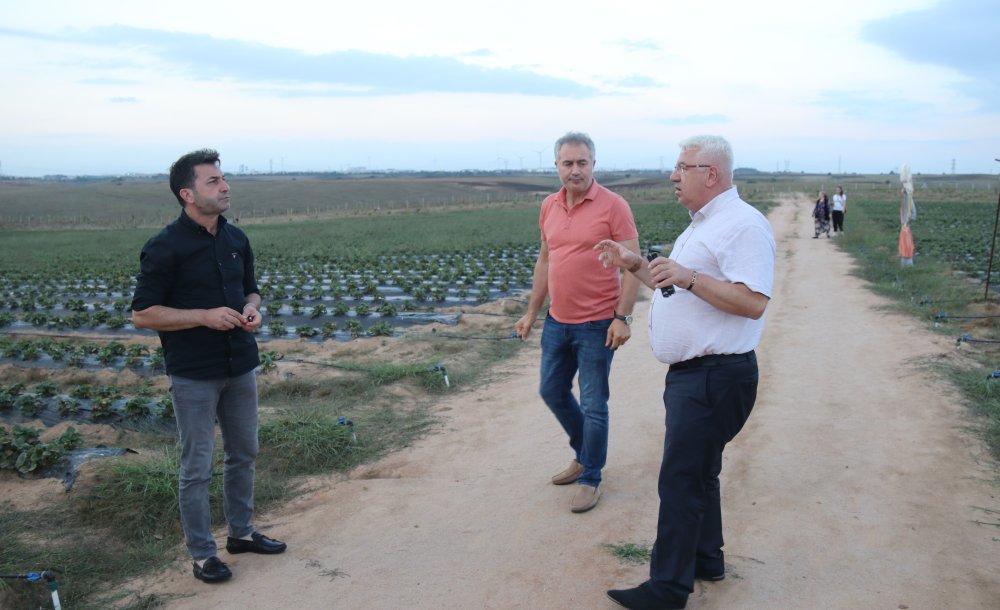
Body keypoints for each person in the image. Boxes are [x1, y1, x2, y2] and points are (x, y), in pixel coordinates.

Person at [595, 135, 775, 610]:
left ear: (710, 173)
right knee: (700, 472)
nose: (674, 176)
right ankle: (705, 559)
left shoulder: (741, 226)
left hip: (716, 376)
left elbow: (753, 303)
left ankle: (668, 588)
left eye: (682, 167)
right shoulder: (704, 225)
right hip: (699, 376)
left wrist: (691, 276)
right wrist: (634, 263)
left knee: (681, 478)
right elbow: (674, 286)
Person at [131, 149, 287, 584]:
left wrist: (252, 311)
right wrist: (202, 315)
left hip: (240, 364)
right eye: (214, 181)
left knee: (245, 453)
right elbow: (142, 314)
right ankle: (203, 555)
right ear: (187, 193)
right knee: (196, 466)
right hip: (194, 373)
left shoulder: (236, 239)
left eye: (224, 179)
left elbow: (252, 292)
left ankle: (241, 533)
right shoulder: (165, 247)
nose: (225, 186)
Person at [514, 132, 641, 514]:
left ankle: (590, 477)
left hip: (597, 323)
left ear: (593, 165)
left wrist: (622, 317)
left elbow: (634, 266)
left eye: (582, 162)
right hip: (557, 320)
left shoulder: (614, 206)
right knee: (551, 391)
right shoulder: (549, 206)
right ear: (556, 166)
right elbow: (545, 261)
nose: (575, 170)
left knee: (594, 403)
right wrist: (532, 312)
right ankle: (584, 453)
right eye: (567, 163)